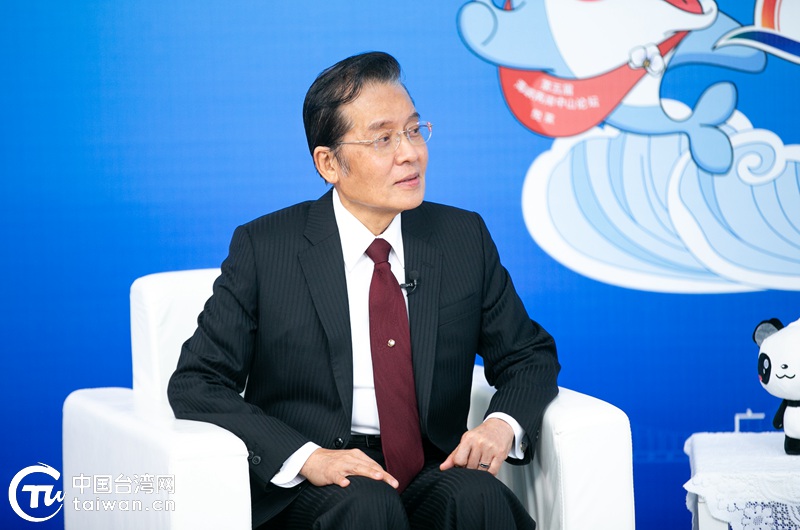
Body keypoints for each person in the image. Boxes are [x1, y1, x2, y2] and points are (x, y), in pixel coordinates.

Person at [167, 51, 560, 530]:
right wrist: (306, 456)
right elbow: (197, 382)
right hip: (317, 480)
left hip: (427, 466)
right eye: (383, 139)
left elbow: (527, 355)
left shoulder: (461, 237)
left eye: (414, 130)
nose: (410, 153)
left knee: (479, 497)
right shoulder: (266, 248)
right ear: (329, 163)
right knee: (366, 506)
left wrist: (502, 424)